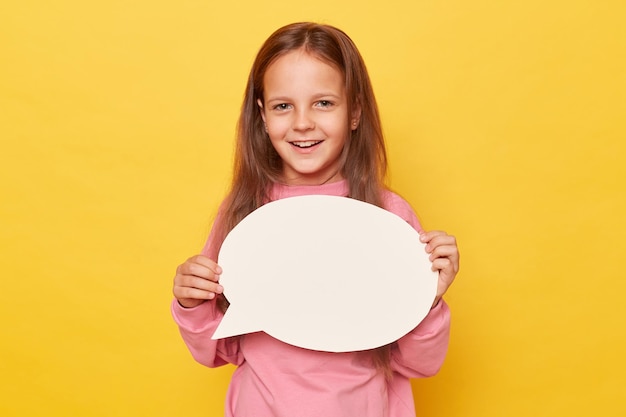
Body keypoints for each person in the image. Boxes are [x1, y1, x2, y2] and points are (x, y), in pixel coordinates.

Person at [172, 22, 460, 417]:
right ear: (261, 115)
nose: (302, 122)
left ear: (355, 111)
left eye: (323, 103)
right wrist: (193, 303)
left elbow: (420, 363)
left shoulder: (388, 216)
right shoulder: (243, 213)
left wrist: (428, 298)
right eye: (282, 105)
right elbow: (221, 349)